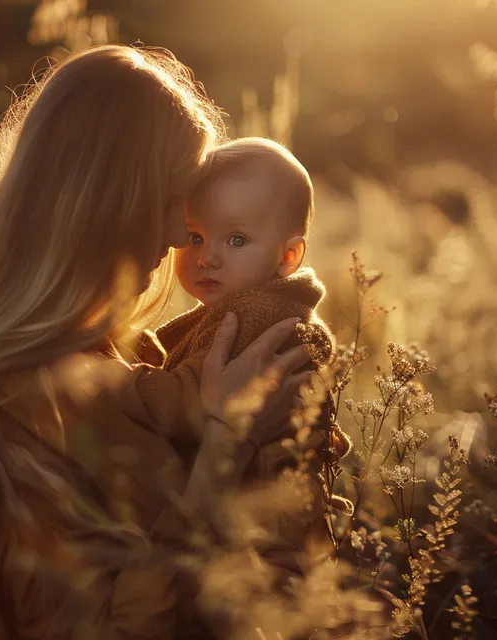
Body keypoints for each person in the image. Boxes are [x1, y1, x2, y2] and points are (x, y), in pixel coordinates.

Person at [0, 45, 317, 640]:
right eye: (172, 204)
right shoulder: (1, 407)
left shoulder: (131, 359)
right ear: (102, 203)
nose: (178, 238)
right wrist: (229, 440)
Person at [120, 137, 353, 576]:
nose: (207, 257)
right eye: (194, 236)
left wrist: (114, 378)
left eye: (237, 240)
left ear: (289, 255)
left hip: (263, 530)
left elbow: (189, 399)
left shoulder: (257, 318)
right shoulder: (252, 305)